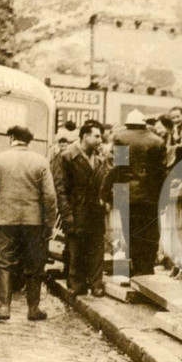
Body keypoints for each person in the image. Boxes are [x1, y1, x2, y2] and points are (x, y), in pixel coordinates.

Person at [0, 125, 58, 322]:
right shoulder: (41, 162)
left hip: (5, 220)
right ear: (28, 141)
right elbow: (50, 197)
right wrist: (49, 224)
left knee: (4, 262)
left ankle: (3, 307)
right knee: (34, 266)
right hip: (34, 223)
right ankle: (33, 309)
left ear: (12, 138)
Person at [104, 109, 167, 276]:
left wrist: (105, 193)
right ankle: (147, 269)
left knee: (131, 233)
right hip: (151, 195)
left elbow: (115, 168)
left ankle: (137, 269)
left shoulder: (121, 138)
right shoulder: (157, 141)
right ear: (144, 123)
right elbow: (162, 173)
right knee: (151, 232)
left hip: (126, 194)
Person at [53, 120, 108, 297]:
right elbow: (61, 190)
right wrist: (67, 215)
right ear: (85, 137)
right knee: (76, 248)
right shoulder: (67, 157)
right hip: (76, 210)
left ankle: (96, 284)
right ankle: (76, 284)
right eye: (97, 136)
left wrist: (105, 201)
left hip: (96, 212)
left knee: (97, 247)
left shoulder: (99, 158)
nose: (100, 139)